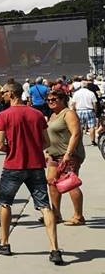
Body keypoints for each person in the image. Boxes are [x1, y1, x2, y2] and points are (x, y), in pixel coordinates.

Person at [0, 81, 63, 266]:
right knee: (45, 206)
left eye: (4, 93)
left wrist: (12, 149)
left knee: (5, 204)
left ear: (11, 94)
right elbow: (46, 142)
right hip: (35, 165)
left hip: (13, 166)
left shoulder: (4, 116)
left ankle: (4, 243)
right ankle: (54, 249)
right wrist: (31, 148)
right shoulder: (37, 114)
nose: (1, 96)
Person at [45, 90, 85, 226]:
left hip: (68, 154)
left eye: (54, 99)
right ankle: (56, 214)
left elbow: (76, 134)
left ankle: (78, 216)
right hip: (53, 154)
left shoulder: (68, 114)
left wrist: (68, 153)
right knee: (52, 182)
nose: (50, 101)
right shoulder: (53, 115)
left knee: (70, 183)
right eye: (49, 99)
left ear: (62, 100)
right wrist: (47, 151)